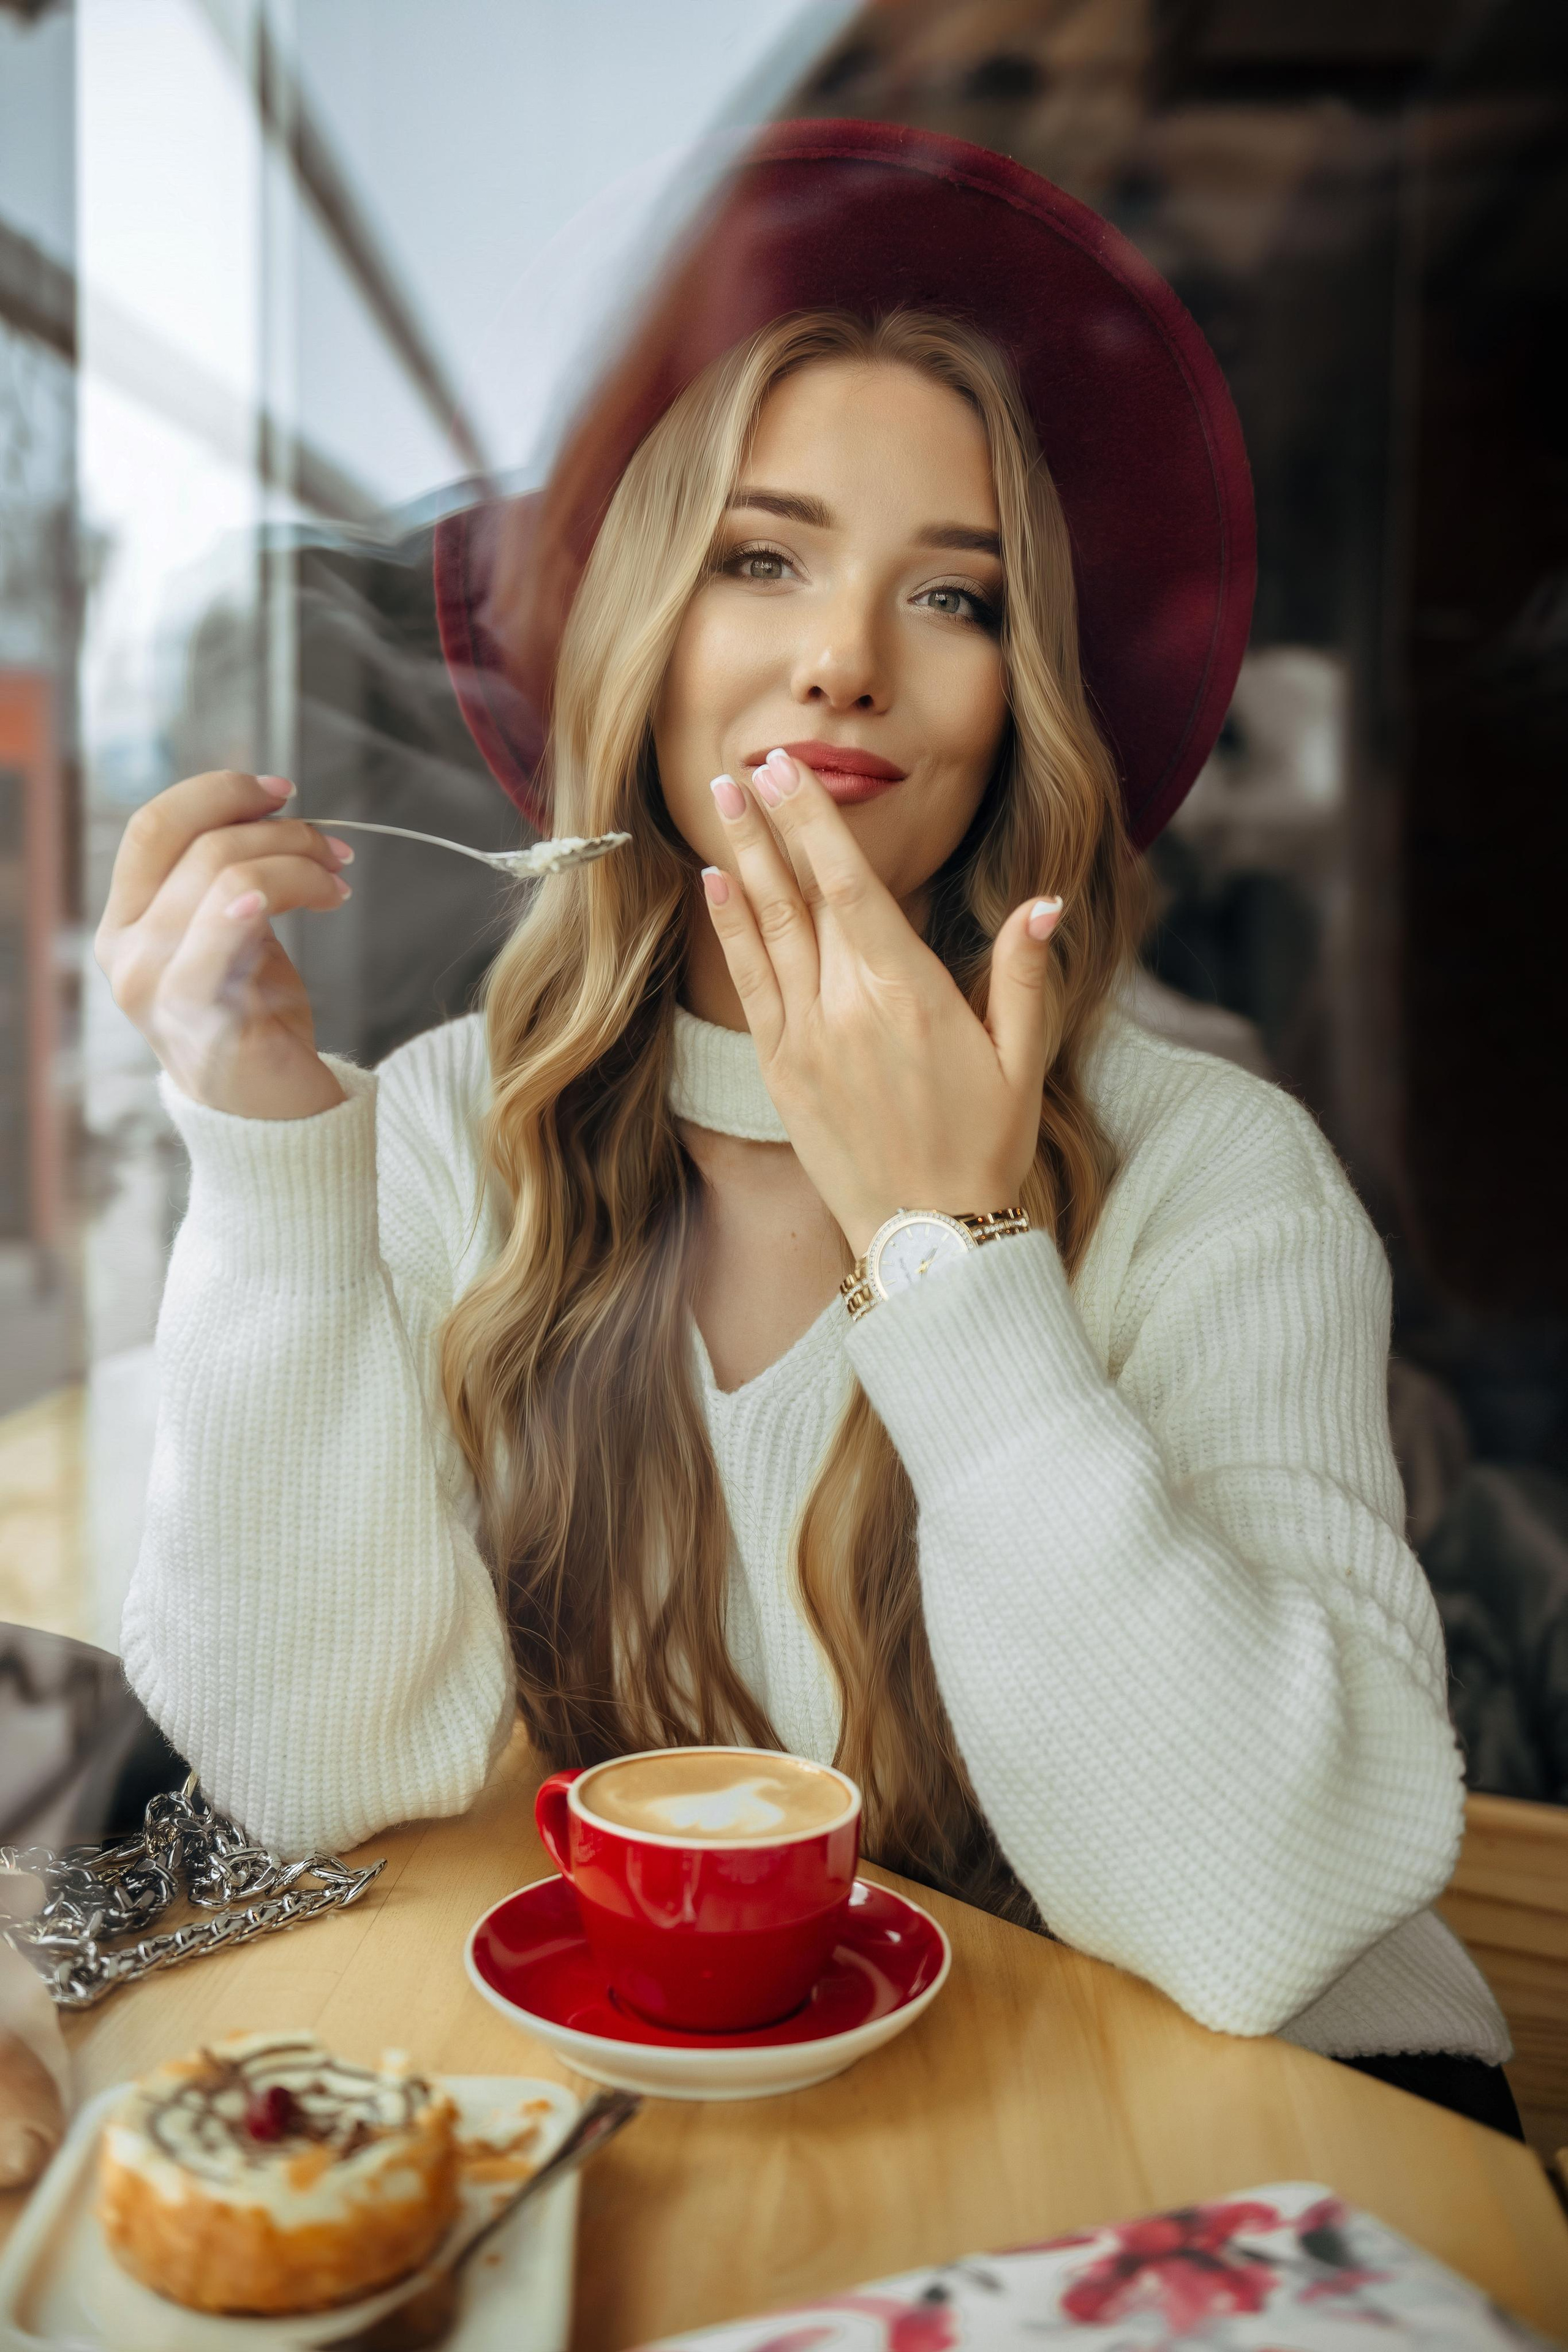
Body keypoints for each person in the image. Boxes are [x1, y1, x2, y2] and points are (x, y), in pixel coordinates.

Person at [96, 126, 1512, 2126]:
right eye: (761, 561)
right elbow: (314, 1770)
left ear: (1019, 702)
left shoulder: (1217, 1174)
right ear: (638, 635)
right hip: (715, 2106)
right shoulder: (436, 1133)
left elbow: (1265, 1909)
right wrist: (259, 1153)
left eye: (954, 595)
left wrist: (959, 1257)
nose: (846, 658)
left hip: (1237, 2136)